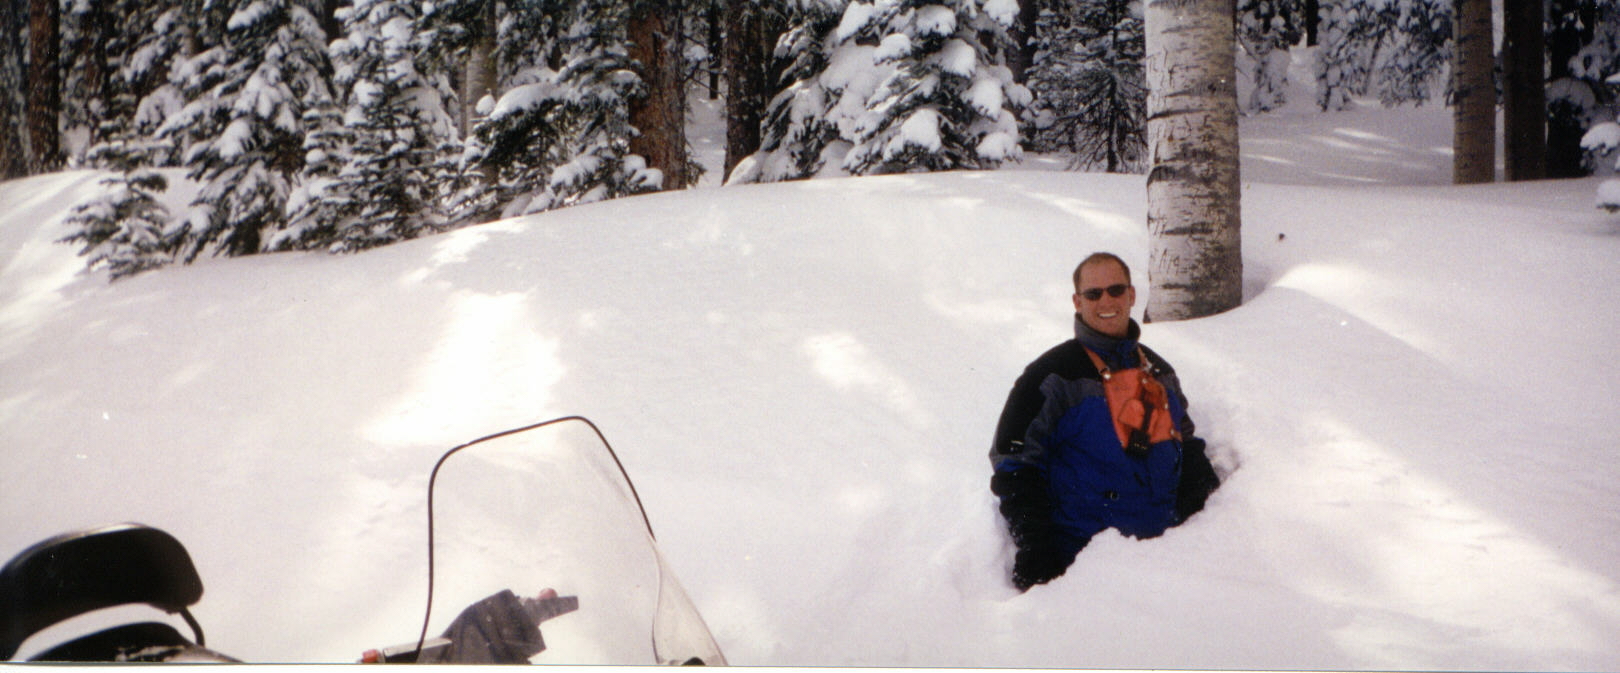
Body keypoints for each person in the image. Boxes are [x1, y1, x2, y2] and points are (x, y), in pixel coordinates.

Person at [989, 252, 1220, 591]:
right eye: (1093, 294)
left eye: (1115, 290)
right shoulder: (1051, 376)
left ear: (1131, 295)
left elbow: (1185, 449)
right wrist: (1038, 548)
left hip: (1168, 567)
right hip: (1084, 572)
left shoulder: (1160, 372)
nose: (1106, 301)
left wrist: (1212, 515)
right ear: (1077, 302)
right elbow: (1014, 466)